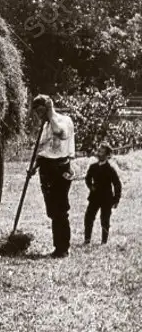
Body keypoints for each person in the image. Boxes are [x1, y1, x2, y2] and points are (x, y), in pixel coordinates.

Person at [29, 94, 76, 258]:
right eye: (37, 113)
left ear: (48, 107)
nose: (39, 116)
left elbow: (61, 134)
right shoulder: (44, 127)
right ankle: (58, 246)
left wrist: (50, 114)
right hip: (46, 170)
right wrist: (34, 167)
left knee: (60, 209)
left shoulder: (63, 121)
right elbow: (42, 151)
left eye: (41, 111)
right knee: (51, 210)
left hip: (61, 168)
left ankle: (63, 248)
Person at [84, 143, 121, 245]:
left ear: (107, 155)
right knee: (88, 217)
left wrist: (116, 199)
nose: (98, 153)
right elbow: (87, 178)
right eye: (98, 151)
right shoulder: (93, 167)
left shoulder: (110, 169)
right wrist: (91, 187)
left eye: (101, 152)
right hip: (94, 197)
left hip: (106, 199)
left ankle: (104, 241)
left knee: (105, 220)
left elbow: (117, 184)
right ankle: (87, 240)